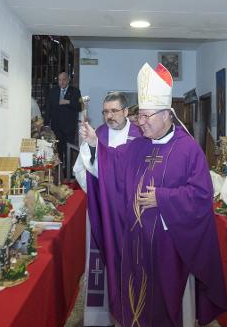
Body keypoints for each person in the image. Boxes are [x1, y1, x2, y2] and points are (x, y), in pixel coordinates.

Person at [80, 63, 227, 327]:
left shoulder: (188, 149)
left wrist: (163, 198)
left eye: (147, 116)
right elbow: (112, 165)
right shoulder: (138, 146)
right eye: (140, 116)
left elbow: (201, 196)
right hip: (136, 244)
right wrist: (94, 145)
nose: (141, 123)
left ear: (166, 114)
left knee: (167, 308)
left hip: (169, 248)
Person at [73, 92, 141, 326]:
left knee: (136, 264)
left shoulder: (139, 135)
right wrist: (91, 147)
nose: (109, 116)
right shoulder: (99, 134)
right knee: (109, 261)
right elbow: (82, 170)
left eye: (114, 111)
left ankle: (138, 311)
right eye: (105, 112)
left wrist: (97, 149)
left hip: (134, 213)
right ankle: (111, 314)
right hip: (106, 211)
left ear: (126, 111)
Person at [44, 72, 82, 175]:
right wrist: (46, 124)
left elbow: (80, 107)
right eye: (60, 80)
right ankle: (59, 173)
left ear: (68, 80)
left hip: (69, 127)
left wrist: (68, 102)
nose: (62, 82)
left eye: (64, 79)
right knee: (58, 151)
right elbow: (48, 108)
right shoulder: (53, 91)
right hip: (56, 127)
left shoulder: (75, 91)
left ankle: (68, 173)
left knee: (68, 150)